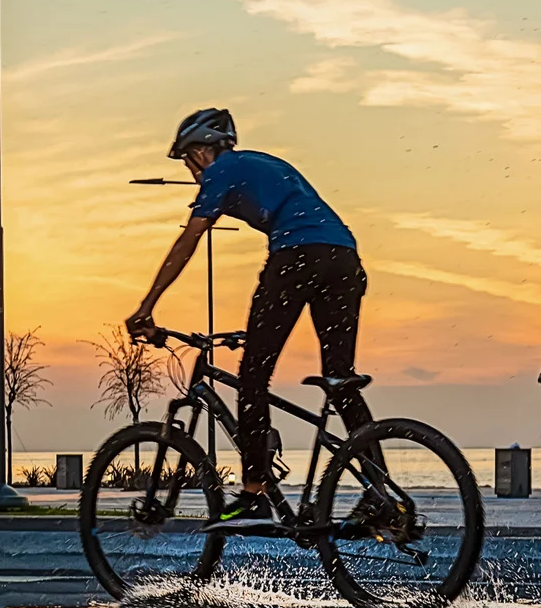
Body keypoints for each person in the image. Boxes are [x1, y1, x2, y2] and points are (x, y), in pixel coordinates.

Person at [127, 108, 374, 531]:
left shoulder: (223, 169)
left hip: (298, 258)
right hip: (344, 260)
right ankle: (378, 494)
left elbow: (189, 239)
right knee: (340, 380)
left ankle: (253, 495)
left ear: (203, 151)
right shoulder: (263, 163)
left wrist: (147, 305)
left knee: (253, 377)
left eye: (188, 160)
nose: (190, 171)